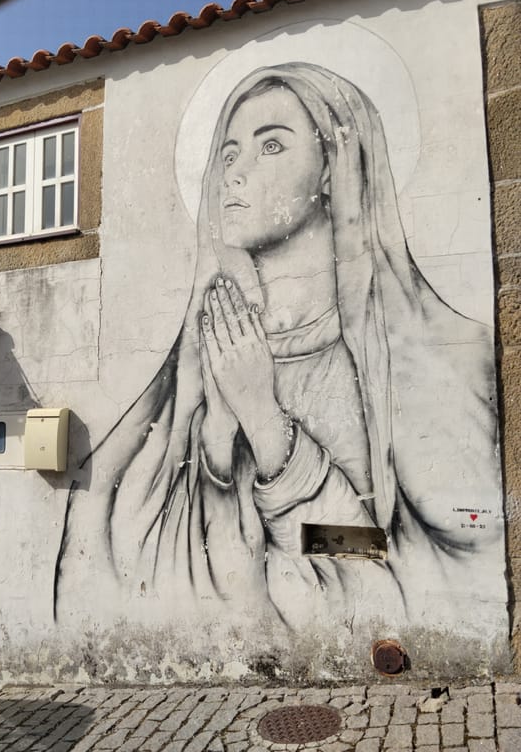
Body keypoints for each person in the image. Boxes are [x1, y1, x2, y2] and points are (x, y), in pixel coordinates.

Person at [55, 63, 504, 636]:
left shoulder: (427, 363)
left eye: (272, 146)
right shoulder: (206, 360)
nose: (236, 173)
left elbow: (377, 577)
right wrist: (218, 437)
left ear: (331, 171)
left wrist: (268, 428)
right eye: (229, 153)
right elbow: (148, 572)